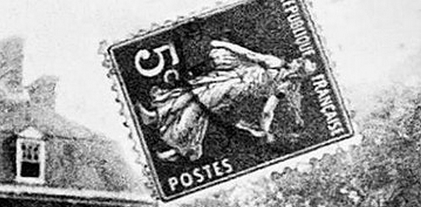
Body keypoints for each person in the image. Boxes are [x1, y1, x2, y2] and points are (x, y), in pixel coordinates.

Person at [136, 40, 318, 162]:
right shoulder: (275, 63)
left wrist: (265, 131)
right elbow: (248, 54)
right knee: (193, 93)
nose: (296, 65)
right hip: (231, 77)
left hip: (233, 90)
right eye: (300, 62)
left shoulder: (284, 87)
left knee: (196, 105)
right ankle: (157, 119)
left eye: (301, 69)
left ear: (301, 75)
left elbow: (267, 111)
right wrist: (224, 45)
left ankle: (175, 141)